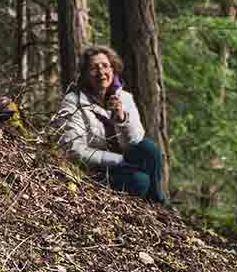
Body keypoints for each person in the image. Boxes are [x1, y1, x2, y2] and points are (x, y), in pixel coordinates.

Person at [51, 46, 167, 203]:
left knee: (150, 149)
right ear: (85, 75)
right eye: (93, 68)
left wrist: (121, 118)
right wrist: (119, 161)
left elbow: (136, 140)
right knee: (140, 181)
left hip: (124, 162)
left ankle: (158, 202)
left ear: (113, 69)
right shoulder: (74, 101)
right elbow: (74, 150)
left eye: (105, 66)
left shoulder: (124, 97)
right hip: (93, 171)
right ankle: (150, 201)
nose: (101, 72)